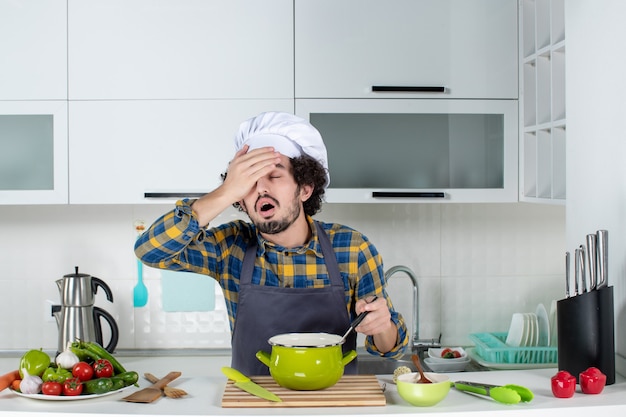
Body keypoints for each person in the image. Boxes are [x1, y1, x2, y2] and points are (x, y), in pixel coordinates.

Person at [134, 111, 408, 375]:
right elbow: (149, 250)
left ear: (304, 188)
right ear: (240, 200)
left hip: (332, 404)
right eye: (249, 182)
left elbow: (390, 349)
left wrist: (381, 324)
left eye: (274, 176)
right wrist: (225, 191)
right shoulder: (230, 247)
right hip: (253, 403)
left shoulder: (352, 248)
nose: (261, 188)